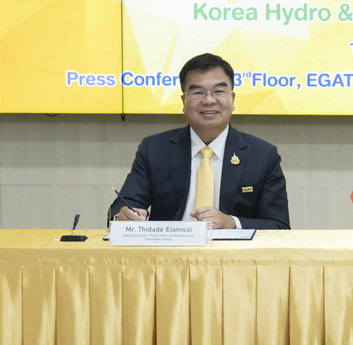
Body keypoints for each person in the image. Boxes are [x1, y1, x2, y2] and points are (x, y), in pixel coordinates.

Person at [111, 53, 290, 229]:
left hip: (232, 248)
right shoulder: (154, 149)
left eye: (219, 91)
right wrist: (124, 216)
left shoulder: (263, 155)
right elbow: (125, 204)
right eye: (198, 92)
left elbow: (278, 225)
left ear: (233, 99)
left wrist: (232, 223)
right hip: (170, 247)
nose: (209, 100)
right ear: (184, 101)